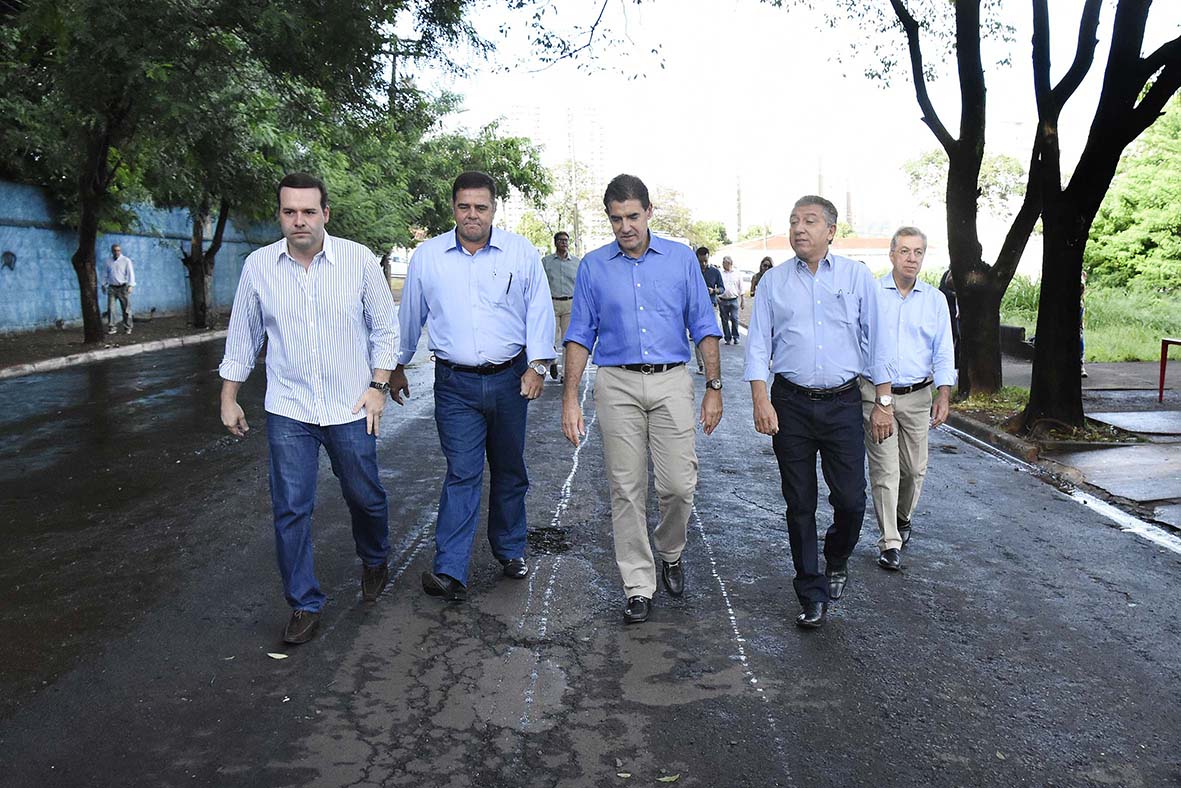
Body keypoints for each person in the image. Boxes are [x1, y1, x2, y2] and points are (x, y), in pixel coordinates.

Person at [219, 172, 398, 645]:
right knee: (290, 508)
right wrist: (229, 397)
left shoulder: (358, 261)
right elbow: (243, 336)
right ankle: (303, 602)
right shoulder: (259, 267)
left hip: (351, 404)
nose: (299, 220)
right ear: (279, 214)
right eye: (289, 211)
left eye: (308, 211)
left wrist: (379, 384)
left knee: (365, 495)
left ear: (326, 214)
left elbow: (385, 329)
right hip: (289, 408)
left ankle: (375, 555)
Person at [562, 174, 722, 625]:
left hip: (672, 379)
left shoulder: (681, 259)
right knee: (626, 487)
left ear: (649, 212)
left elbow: (704, 325)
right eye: (616, 219)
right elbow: (579, 334)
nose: (625, 227)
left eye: (633, 216)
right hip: (617, 382)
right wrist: (570, 398)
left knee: (677, 484)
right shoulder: (594, 267)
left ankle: (670, 551)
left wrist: (714, 387)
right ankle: (637, 584)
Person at [393, 171, 555, 603]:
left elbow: (539, 309)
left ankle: (510, 549)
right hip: (454, 385)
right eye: (464, 206)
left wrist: (537, 366)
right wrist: (396, 364)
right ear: (453, 208)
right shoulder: (428, 258)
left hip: (509, 380)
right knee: (462, 472)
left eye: (480, 207)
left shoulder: (520, 253)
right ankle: (450, 569)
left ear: (493, 209)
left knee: (509, 469)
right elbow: (410, 316)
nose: (472, 215)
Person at [744, 195, 895, 630]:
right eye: (793, 221)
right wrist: (760, 399)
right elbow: (758, 346)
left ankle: (837, 556)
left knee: (851, 499)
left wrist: (883, 402)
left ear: (830, 231)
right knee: (800, 503)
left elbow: (876, 341)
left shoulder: (856, 277)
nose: (799, 229)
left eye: (809, 221)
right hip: (790, 403)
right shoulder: (774, 283)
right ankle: (810, 591)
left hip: (844, 402)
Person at [860, 227, 954, 571]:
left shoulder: (934, 300)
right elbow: (865, 347)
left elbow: (944, 349)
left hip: (917, 396)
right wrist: (880, 402)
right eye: (904, 251)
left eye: (917, 252)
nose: (911, 258)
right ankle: (889, 542)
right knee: (885, 470)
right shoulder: (872, 295)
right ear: (891, 255)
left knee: (913, 470)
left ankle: (901, 518)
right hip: (875, 395)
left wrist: (944, 393)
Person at [542, 231, 581, 380]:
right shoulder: (546, 262)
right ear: (555, 243)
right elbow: (541, 284)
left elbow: (580, 284)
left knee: (567, 341)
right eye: (561, 240)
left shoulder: (576, 262)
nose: (564, 243)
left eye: (566, 240)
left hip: (570, 304)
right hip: (552, 303)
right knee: (551, 338)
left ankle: (565, 373)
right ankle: (553, 361)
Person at [694, 246, 723, 373]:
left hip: (712, 305)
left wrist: (714, 290)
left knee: (712, 336)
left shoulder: (715, 272)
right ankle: (701, 364)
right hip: (696, 307)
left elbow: (722, 288)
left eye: (705, 261)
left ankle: (711, 365)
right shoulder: (692, 271)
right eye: (700, 261)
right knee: (698, 336)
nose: (703, 264)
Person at [103, 244, 136, 334]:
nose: (117, 252)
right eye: (115, 250)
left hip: (123, 287)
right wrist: (103, 284)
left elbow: (130, 273)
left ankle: (128, 327)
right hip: (112, 287)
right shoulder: (108, 261)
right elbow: (105, 273)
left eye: (118, 250)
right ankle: (112, 327)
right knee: (111, 308)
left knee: (126, 309)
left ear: (120, 251)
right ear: (112, 251)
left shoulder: (126, 260)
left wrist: (131, 285)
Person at [718, 255, 744, 345]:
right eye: (723, 263)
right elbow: (717, 285)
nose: (724, 264)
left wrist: (742, 300)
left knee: (734, 318)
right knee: (724, 320)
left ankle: (736, 336)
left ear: (730, 263)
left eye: (725, 263)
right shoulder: (720, 273)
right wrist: (717, 297)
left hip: (733, 299)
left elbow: (741, 287)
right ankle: (727, 338)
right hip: (723, 300)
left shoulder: (737, 273)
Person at [938, 269, 959, 370]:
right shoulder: (948, 274)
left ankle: (956, 362)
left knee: (958, 338)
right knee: (952, 336)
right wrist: (953, 294)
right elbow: (942, 291)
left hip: (957, 312)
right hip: (950, 311)